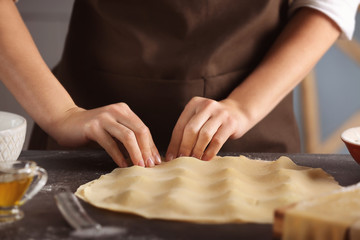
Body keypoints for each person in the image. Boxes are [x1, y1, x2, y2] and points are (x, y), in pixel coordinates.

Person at [0, 0, 359, 168]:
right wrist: (61, 113)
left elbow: (328, 4)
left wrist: (244, 106)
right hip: (88, 133)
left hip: (252, 127)